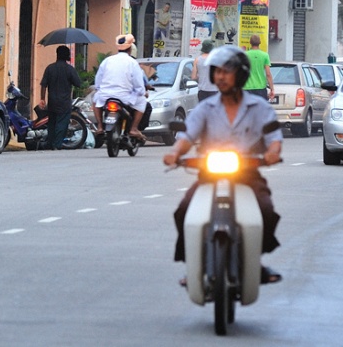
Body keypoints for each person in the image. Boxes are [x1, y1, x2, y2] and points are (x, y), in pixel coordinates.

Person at [164, 46, 283, 284]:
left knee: (267, 210)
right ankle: (194, 265)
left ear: (240, 74)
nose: (220, 76)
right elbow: (187, 136)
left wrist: (272, 153)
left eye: (226, 71)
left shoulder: (259, 107)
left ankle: (254, 262)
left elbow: (274, 138)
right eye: (217, 71)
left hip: (248, 174)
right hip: (209, 174)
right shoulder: (205, 108)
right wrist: (175, 153)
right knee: (183, 210)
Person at [92, 34, 148, 142]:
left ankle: (99, 126)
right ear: (130, 49)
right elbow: (139, 85)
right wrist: (142, 92)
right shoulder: (132, 63)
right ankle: (134, 128)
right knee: (142, 101)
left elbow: (98, 81)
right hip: (124, 97)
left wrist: (100, 90)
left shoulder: (107, 61)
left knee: (95, 99)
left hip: (105, 96)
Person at [38, 45, 83, 150]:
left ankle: (50, 143)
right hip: (64, 102)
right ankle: (57, 144)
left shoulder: (50, 68)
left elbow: (43, 85)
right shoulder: (69, 69)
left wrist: (42, 99)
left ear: (57, 55)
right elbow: (78, 83)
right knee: (62, 123)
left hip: (52, 101)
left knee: (52, 123)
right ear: (67, 55)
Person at [242, 34, 273, 101]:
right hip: (260, 89)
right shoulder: (265, 55)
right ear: (260, 42)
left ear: (250, 42)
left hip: (247, 88)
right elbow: (268, 74)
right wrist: (272, 89)